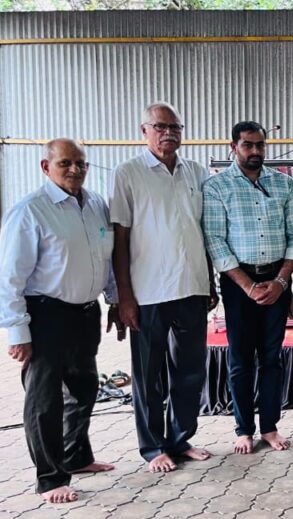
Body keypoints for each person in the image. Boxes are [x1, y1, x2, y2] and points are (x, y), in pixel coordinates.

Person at [0, 139, 121, 503]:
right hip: (45, 315)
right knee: (45, 400)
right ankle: (51, 478)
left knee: (84, 388)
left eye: (80, 163)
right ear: (45, 166)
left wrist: (114, 300)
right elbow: (9, 277)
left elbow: (106, 258)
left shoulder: (95, 204)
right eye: (65, 163)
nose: (74, 170)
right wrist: (17, 332)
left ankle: (77, 456)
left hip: (85, 312)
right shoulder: (30, 211)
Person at [110, 102, 217, 473]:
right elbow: (120, 238)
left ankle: (180, 439)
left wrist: (210, 282)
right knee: (148, 376)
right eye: (160, 126)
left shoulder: (196, 172)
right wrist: (123, 296)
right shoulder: (128, 173)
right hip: (147, 293)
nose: (168, 133)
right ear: (144, 131)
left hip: (192, 287)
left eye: (175, 127)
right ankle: (153, 446)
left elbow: (204, 231)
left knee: (190, 372)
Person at [202, 121, 293, 454]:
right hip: (238, 284)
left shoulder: (284, 184)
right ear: (233, 147)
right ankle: (244, 429)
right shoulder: (217, 186)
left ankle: (270, 427)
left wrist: (281, 281)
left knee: (272, 359)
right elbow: (215, 240)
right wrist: (247, 286)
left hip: (278, 280)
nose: (255, 151)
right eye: (248, 145)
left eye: (260, 145)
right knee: (241, 359)